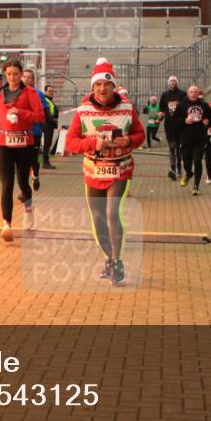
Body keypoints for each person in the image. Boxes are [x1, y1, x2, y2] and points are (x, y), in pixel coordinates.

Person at [65, 58, 145, 286]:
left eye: (107, 85)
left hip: (120, 170)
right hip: (93, 171)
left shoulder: (127, 109)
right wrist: (93, 145)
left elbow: (140, 135)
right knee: (98, 218)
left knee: (111, 214)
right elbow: (70, 142)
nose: (102, 89)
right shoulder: (83, 111)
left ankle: (118, 262)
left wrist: (129, 139)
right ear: (93, 87)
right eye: (98, 85)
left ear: (113, 86)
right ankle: (109, 259)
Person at [0, 60, 45, 241]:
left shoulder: (30, 93)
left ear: (21, 75)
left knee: (23, 183)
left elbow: (40, 116)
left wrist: (21, 112)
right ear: (5, 74)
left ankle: (28, 207)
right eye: (9, 74)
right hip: (4, 142)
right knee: (7, 184)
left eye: (16, 74)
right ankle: (6, 224)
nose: (13, 77)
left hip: (24, 142)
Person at [173, 85, 211, 195]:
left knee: (197, 160)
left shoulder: (204, 105)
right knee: (186, 162)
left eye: (195, 91)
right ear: (188, 92)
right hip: (185, 139)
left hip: (200, 138)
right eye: (191, 91)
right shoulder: (181, 105)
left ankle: (196, 186)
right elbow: (175, 121)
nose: (194, 93)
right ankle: (189, 173)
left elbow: (210, 117)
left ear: (198, 93)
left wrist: (208, 121)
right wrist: (184, 121)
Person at [21, 69, 51, 191]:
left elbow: (46, 111)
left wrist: (48, 123)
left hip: (35, 133)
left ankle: (35, 175)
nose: (26, 79)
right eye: (24, 77)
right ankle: (25, 190)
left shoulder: (38, 94)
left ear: (33, 80)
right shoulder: (16, 93)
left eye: (29, 77)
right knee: (22, 163)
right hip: (21, 133)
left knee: (33, 160)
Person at [159, 75, 187, 180]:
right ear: (169, 83)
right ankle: (173, 168)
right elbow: (161, 108)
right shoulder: (165, 95)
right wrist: (160, 114)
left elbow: (186, 106)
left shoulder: (182, 94)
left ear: (177, 83)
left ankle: (179, 168)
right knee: (172, 147)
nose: (173, 83)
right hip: (169, 126)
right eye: (171, 81)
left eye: (175, 81)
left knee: (179, 149)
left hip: (180, 125)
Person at [42, 84, 60, 169]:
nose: (51, 93)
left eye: (52, 91)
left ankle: (46, 162)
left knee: (48, 144)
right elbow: (48, 114)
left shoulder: (49, 101)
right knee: (47, 144)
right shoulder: (45, 100)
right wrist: (54, 122)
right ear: (45, 91)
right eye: (49, 91)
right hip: (47, 124)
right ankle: (45, 163)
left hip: (50, 124)